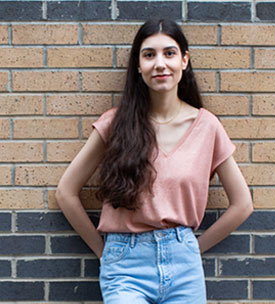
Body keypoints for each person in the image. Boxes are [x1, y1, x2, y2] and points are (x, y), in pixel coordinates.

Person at [56, 18, 253, 304]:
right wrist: (104, 253)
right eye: (149, 55)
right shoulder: (115, 123)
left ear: (184, 60)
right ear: (138, 66)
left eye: (169, 53)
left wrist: (193, 249)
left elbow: (242, 204)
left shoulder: (207, 126)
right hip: (125, 268)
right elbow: (66, 192)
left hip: (184, 266)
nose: (160, 63)